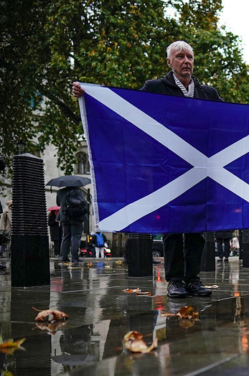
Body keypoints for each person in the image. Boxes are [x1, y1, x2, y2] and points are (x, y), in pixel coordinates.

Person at [73, 41, 220, 297]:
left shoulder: (209, 93)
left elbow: (229, 122)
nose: (186, 61)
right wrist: (89, 95)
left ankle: (193, 279)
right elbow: (128, 111)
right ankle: (175, 280)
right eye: (180, 56)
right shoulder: (154, 89)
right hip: (170, 170)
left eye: (190, 57)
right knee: (174, 227)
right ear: (169, 62)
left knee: (197, 228)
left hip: (201, 170)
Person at [56, 187, 87, 264]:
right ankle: (75, 258)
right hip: (76, 217)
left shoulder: (60, 192)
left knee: (65, 237)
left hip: (65, 216)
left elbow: (58, 203)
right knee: (76, 238)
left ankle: (64, 257)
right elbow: (82, 202)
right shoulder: (78, 191)